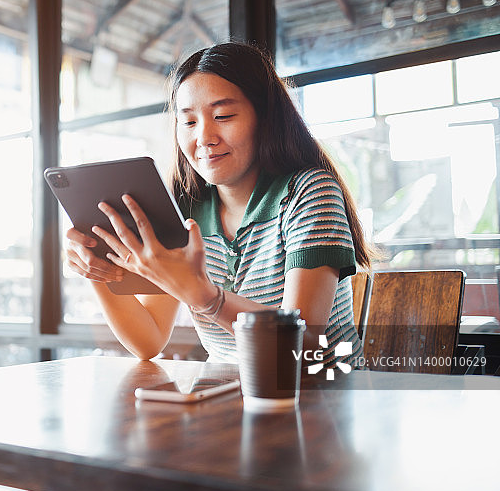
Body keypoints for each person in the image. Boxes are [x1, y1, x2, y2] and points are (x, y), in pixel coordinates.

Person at [65, 41, 371, 367]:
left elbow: (302, 342)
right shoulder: (186, 207)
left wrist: (205, 298)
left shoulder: (309, 192)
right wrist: (97, 270)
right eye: (189, 121)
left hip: (323, 395)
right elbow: (149, 339)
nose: (204, 137)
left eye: (223, 115)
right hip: (229, 399)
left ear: (265, 118)